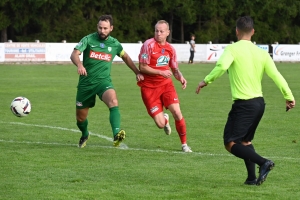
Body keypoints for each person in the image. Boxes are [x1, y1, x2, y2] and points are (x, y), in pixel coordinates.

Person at [195, 16, 295, 185]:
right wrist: (289, 96)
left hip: (244, 105)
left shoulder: (232, 49)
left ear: (236, 31)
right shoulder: (262, 53)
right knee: (245, 142)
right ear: (253, 32)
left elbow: (222, 67)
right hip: (259, 104)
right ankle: (251, 178)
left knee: (230, 143)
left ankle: (264, 162)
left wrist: (206, 80)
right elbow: (276, 75)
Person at [70, 15, 144, 148]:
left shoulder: (114, 44)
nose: (102, 31)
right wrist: (80, 65)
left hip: (103, 82)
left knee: (113, 101)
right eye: (100, 27)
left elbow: (126, 57)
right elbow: (74, 54)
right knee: (80, 119)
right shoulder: (88, 39)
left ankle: (116, 135)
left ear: (111, 28)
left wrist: (137, 72)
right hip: (86, 84)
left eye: (105, 28)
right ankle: (85, 133)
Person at [138, 20, 192, 153]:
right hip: (149, 88)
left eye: (162, 31)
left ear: (168, 32)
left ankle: (184, 145)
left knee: (178, 113)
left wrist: (181, 78)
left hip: (166, 85)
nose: (158, 33)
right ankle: (165, 120)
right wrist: (160, 72)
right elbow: (142, 67)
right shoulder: (148, 45)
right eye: (156, 31)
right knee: (160, 124)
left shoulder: (170, 49)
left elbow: (174, 68)